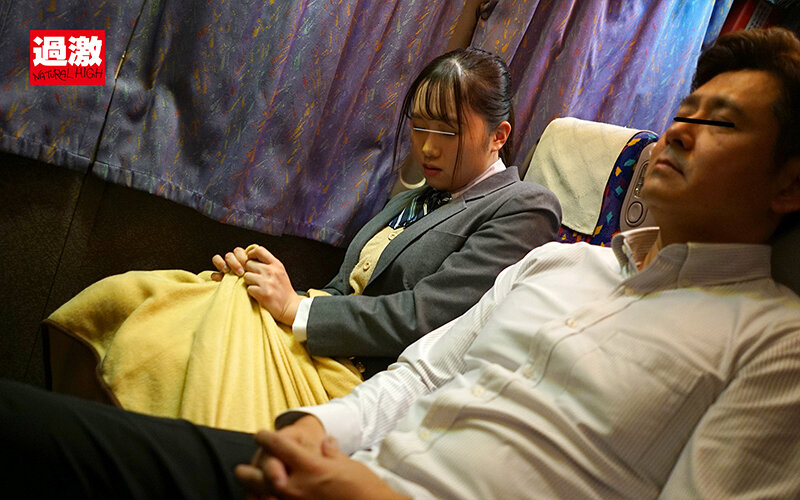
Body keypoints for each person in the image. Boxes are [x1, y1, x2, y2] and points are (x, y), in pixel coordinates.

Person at [3, 26, 799, 500]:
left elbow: (416, 320)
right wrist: (310, 432)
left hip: (369, 456)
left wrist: (297, 312)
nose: (677, 131)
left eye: (721, 123)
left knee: (196, 318)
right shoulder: (565, 267)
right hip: (345, 450)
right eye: (684, 111)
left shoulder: (773, 341)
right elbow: (422, 374)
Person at [42, 47, 561, 433]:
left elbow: (427, 317)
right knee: (141, 300)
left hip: (367, 376)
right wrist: (267, 283)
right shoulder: (418, 196)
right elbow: (343, 288)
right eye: (419, 127)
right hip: (324, 343)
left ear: (498, 135)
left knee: (174, 345)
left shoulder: (524, 207)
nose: (426, 147)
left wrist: (295, 309)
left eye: (445, 131)